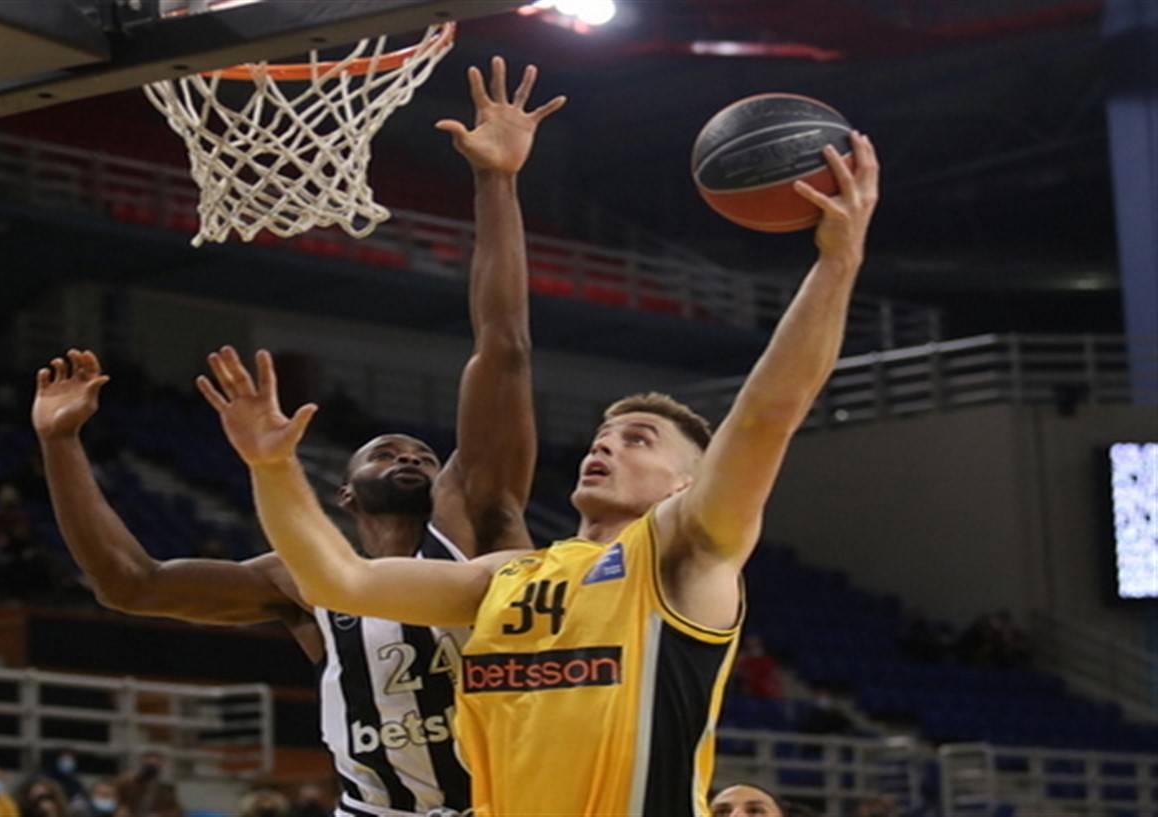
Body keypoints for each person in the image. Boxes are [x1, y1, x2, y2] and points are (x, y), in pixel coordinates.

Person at [206, 132, 880, 816]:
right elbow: (338, 581)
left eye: (638, 439)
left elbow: (765, 416)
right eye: (603, 436)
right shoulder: (506, 576)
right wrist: (271, 465)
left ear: (685, 483)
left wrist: (838, 260)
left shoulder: (684, 553)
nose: (606, 447)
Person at [33, 57, 561, 817]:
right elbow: (130, 583)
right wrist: (59, 444)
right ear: (344, 493)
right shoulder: (300, 579)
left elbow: (504, 346)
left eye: (421, 452)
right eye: (385, 452)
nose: (410, 455)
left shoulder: (476, 516)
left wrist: (496, 181)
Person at [111, 754, 180, 817]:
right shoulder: (127, 783)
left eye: (155, 765)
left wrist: (160, 815)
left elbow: (175, 810)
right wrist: (120, 809)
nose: (152, 768)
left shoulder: (166, 788)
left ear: (161, 766)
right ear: (142, 765)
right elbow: (114, 799)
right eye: (149, 765)